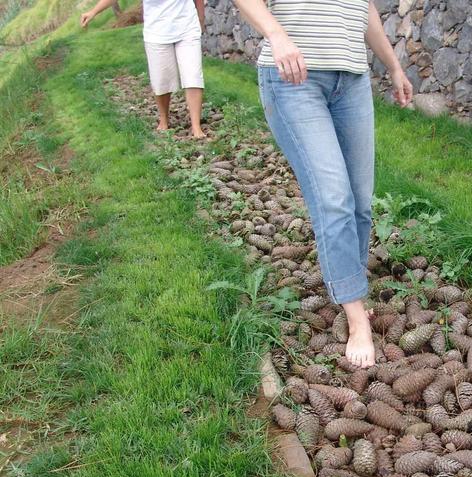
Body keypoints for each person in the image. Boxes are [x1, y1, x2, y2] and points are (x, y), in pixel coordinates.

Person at [233, 0, 413, 368]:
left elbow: (366, 11)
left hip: (352, 80)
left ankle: (350, 280)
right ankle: (356, 314)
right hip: (294, 80)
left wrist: (394, 67)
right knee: (334, 199)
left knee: (360, 201)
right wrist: (277, 34)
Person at [81, 0, 207, 138]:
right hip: (156, 32)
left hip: (187, 27)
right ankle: (164, 119)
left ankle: (196, 127)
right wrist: (93, 12)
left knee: (193, 76)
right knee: (161, 80)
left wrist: (201, 18)